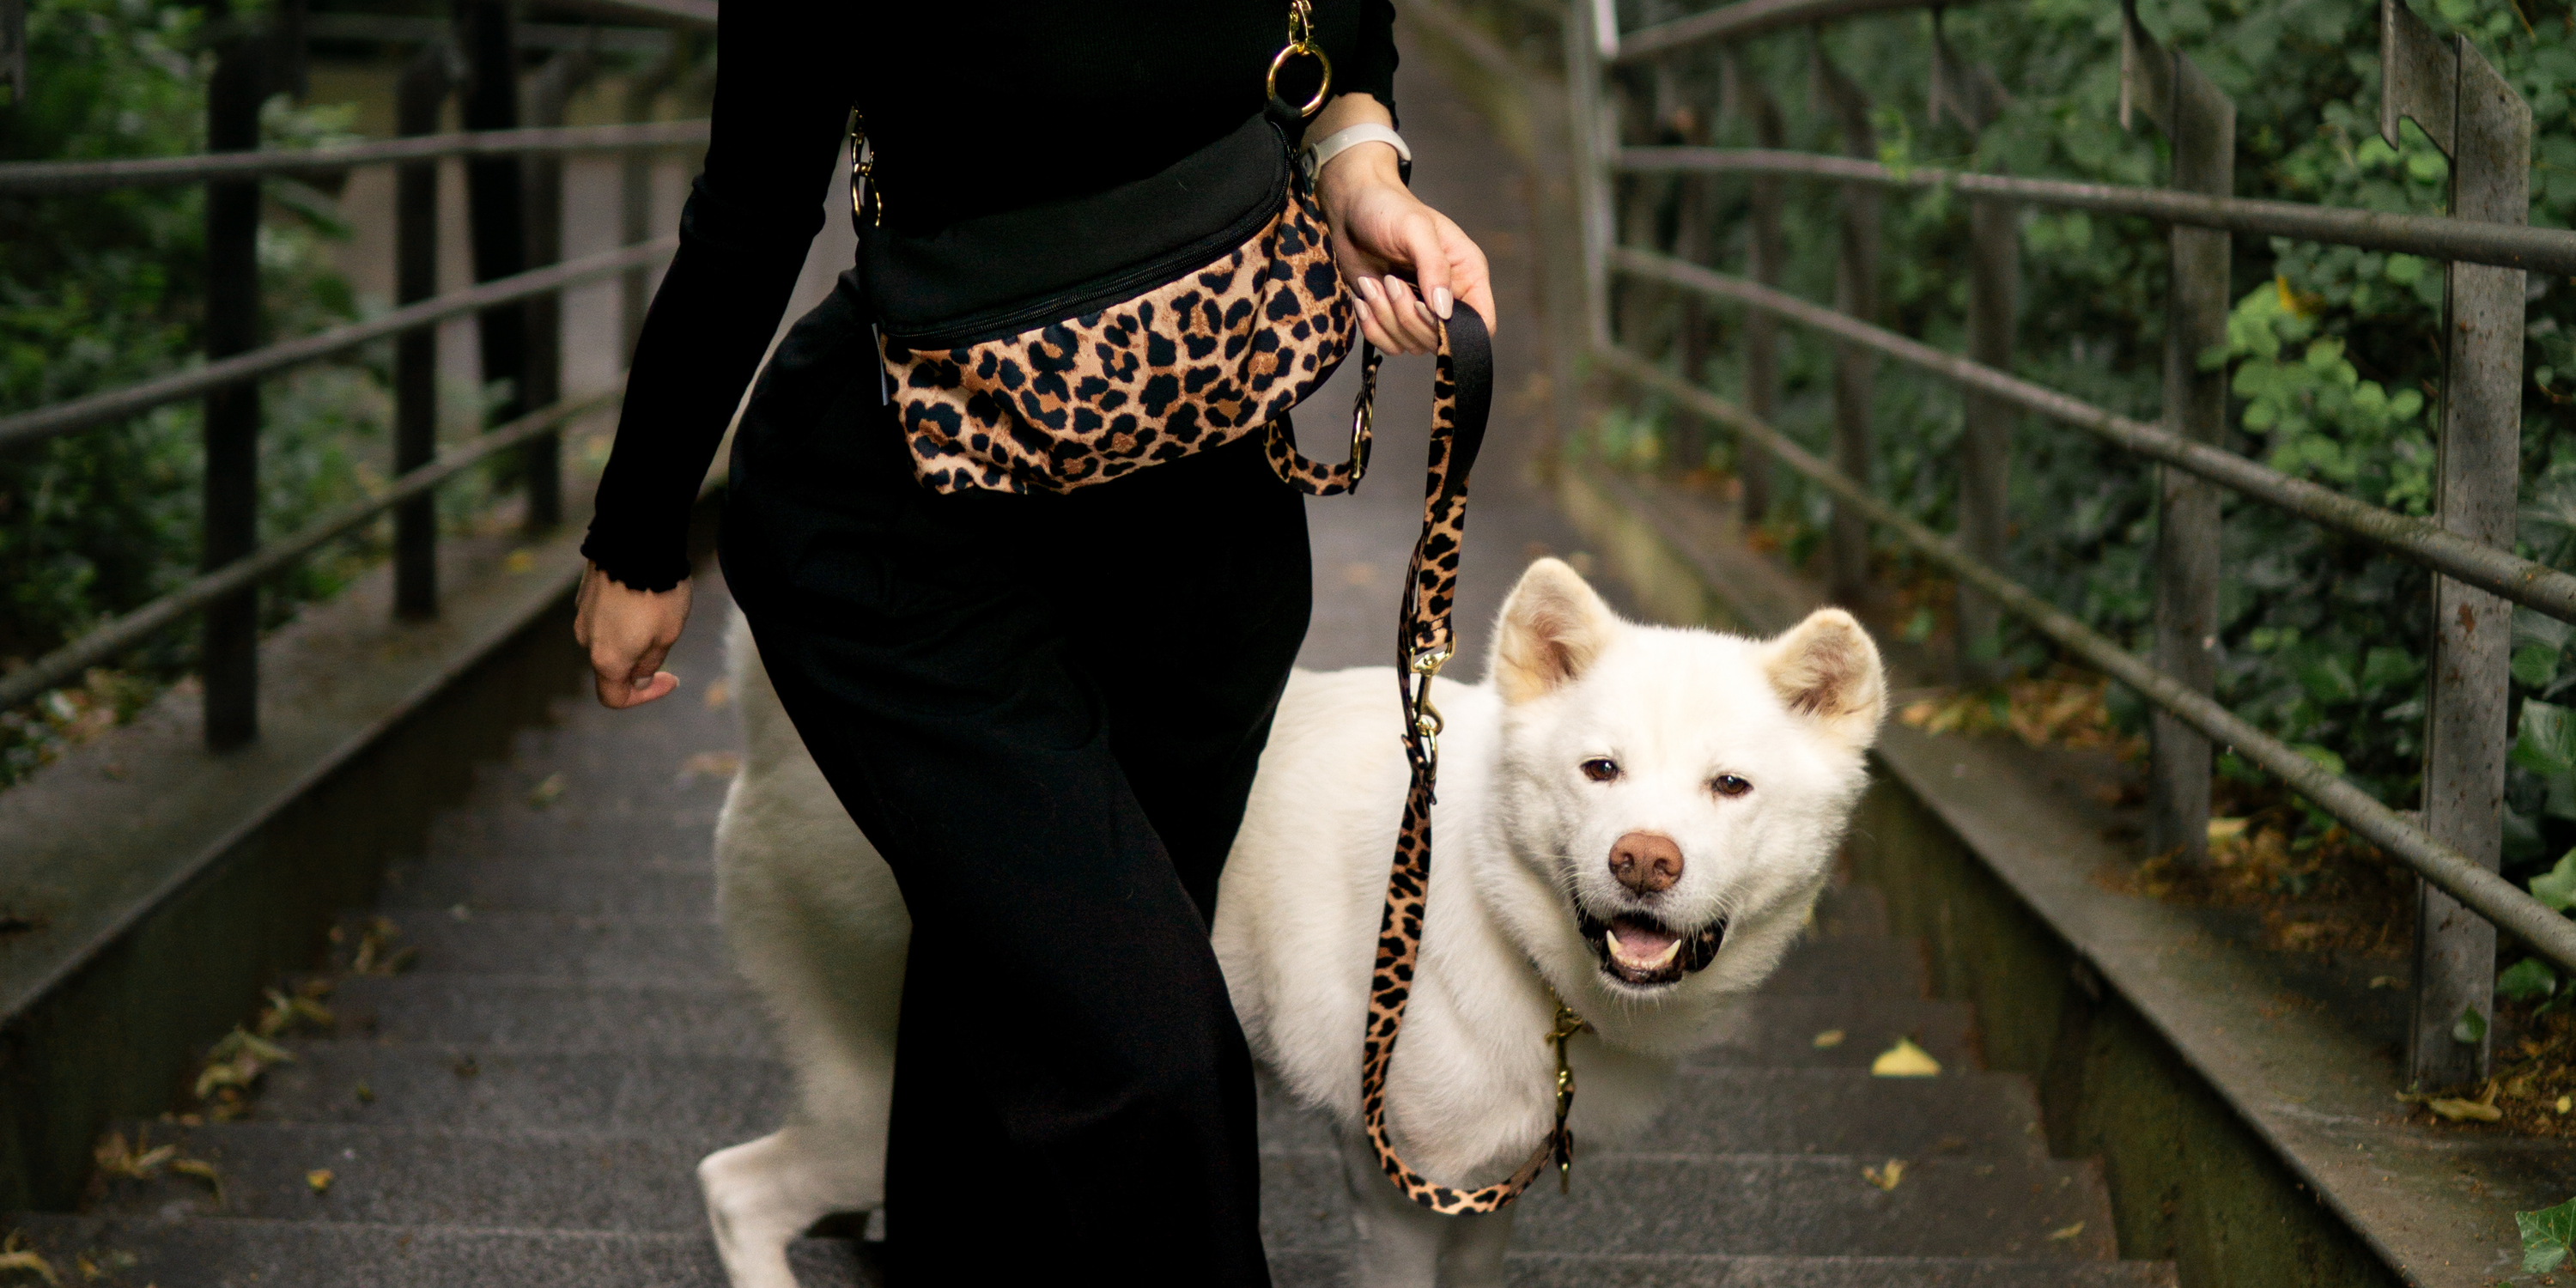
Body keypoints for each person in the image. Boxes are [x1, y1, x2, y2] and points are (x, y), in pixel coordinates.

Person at [570, 4, 1494, 1283]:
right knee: (1148, 1052)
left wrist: (1362, 170)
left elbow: (1341, 25)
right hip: (905, 533)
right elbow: (753, 202)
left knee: (1015, 1003)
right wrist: (639, 531)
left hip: (1203, 543)